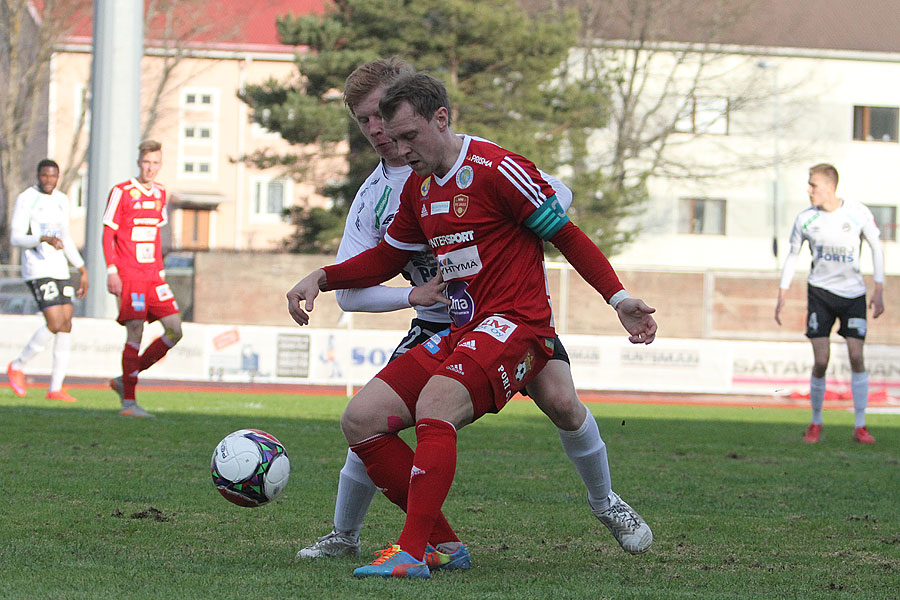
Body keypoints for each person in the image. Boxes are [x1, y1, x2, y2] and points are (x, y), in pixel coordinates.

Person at [287, 72, 658, 579]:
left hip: (518, 324)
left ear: (442, 118)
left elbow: (566, 234)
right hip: (461, 328)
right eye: (389, 137)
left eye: (407, 136)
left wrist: (617, 298)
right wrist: (322, 277)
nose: (398, 147)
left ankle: (414, 553)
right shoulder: (416, 187)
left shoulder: (496, 168)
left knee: (547, 405)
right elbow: (385, 257)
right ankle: (439, 545)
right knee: (361, 419)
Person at [775, 163, 884, 444]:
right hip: (820, 294)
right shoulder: (806, 219)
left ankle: (860, 426)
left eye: (814, 185)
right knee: (821, 360)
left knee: (856, 357)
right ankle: (816, 422)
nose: (809, 190)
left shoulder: (858, 213)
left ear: (830, 187)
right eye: (809, 185)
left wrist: (879, 288)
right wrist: (782, 291)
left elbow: (876, 247)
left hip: (853, 296)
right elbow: (792, 254)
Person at [102, 140, 183, 417]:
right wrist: (112, 270)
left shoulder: (160, 192)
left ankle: (124, 380)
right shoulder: (122, 191)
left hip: (153, 275)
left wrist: (160, 270)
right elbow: (107, 234)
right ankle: (129, 402)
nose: (150, 168)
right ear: (139, 162)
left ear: (160, 165)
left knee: (175, 329)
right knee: (135, 329)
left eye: (155, 163)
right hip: (129, 274)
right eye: (146, 162)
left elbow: (157, 235)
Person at [7, 159, 89, 402]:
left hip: (60, 268)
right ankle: (18, 365)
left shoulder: (62, 200)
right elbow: (15, 237)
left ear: (58, 176)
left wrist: (81, 268)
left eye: (53, 176)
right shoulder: (26, 198)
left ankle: (55, 387)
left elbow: (66, 238)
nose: (49, 180)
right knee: (54, 322)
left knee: (66, 324)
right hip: (38, 268)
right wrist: (42, 238)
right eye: (45, 176)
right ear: (38, 175)